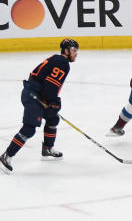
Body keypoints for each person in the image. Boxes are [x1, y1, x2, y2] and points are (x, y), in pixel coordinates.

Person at [0, 39, 79, 174]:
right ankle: (7, 155)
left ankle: (47, 148)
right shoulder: (62, 62)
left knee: (53, 119)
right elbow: (50, 85)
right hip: (33, 95)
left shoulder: (58, 59)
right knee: (29, 128)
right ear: (66, 51)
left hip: (38, 93)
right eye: (73, 50)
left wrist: (52, 103)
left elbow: (47, 84)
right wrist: (53, 101)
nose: (76, 53)